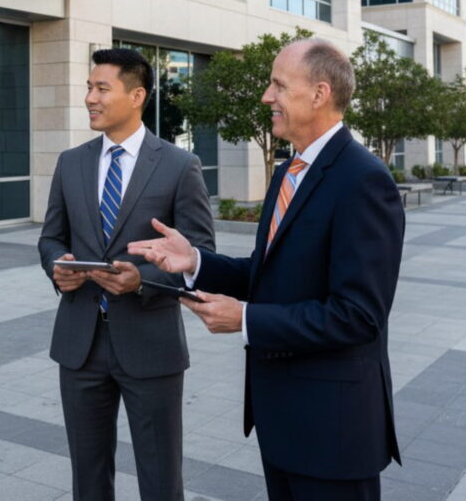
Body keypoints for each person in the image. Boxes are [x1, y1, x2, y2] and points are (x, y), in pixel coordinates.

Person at [130, 38, 404, 501]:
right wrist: (194, 261)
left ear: (319, 94)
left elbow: (358, 315)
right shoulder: (287, 172)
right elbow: (269, 273)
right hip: (284, 423)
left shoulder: (363, 180)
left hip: (332, 433)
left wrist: (246, 320)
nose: (266, 97)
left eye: (278, 85)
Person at [37, 47, 215, 500]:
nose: (90, 98)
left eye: (101, 88)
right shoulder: (71, 162)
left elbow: (201, 257)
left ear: (136, 95)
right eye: (88, 88)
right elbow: (51, 238)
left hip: (150, 346)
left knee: (160, 479)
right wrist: (58, 268)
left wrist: (142, 280)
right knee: (89, 477)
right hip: (80, 345)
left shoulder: (179, 166)